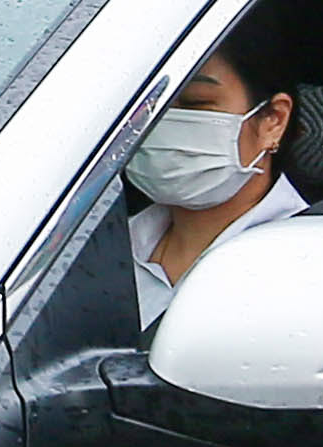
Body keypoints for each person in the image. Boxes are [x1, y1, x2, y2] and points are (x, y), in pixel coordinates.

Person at [124, 27, 308, 326]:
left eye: (196, 103)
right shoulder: (86, 252)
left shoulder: (310, 263)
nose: (163, 122)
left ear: (273, 121)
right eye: (149, 106)